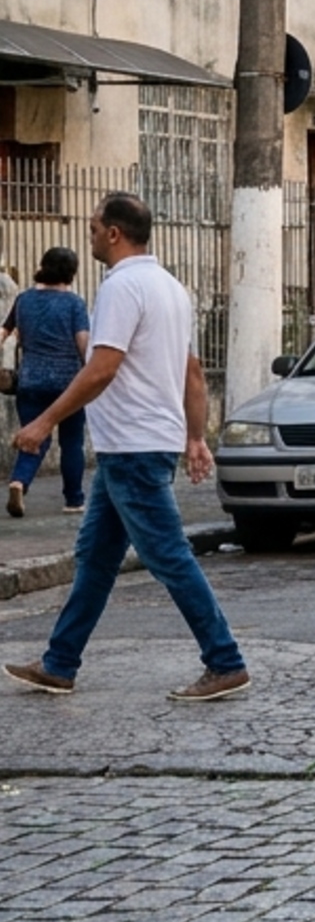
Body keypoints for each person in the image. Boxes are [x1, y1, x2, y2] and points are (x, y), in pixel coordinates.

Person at [6, 193, 249, 702]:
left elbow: (102, 367)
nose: (90, 235)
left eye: (94, 227)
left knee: (168, 556)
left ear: (114, 233)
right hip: (141, 444)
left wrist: (44, 422)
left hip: (132, 447)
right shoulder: (170, 288)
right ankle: (60, 662)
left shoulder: (121, 286)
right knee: (95, 557)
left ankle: (224, 660)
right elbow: (193, 371)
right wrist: (194, 436)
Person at [3, 246, 90, 518]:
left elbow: (3, 332)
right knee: (72, 442)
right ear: (72, 273)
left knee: (34, 437)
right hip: (68, 384)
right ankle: (73, 500)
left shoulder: (24, 299)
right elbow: (83, 344)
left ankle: (19, 481)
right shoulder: (75, 303)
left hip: (30, 381)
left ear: (42, 266)